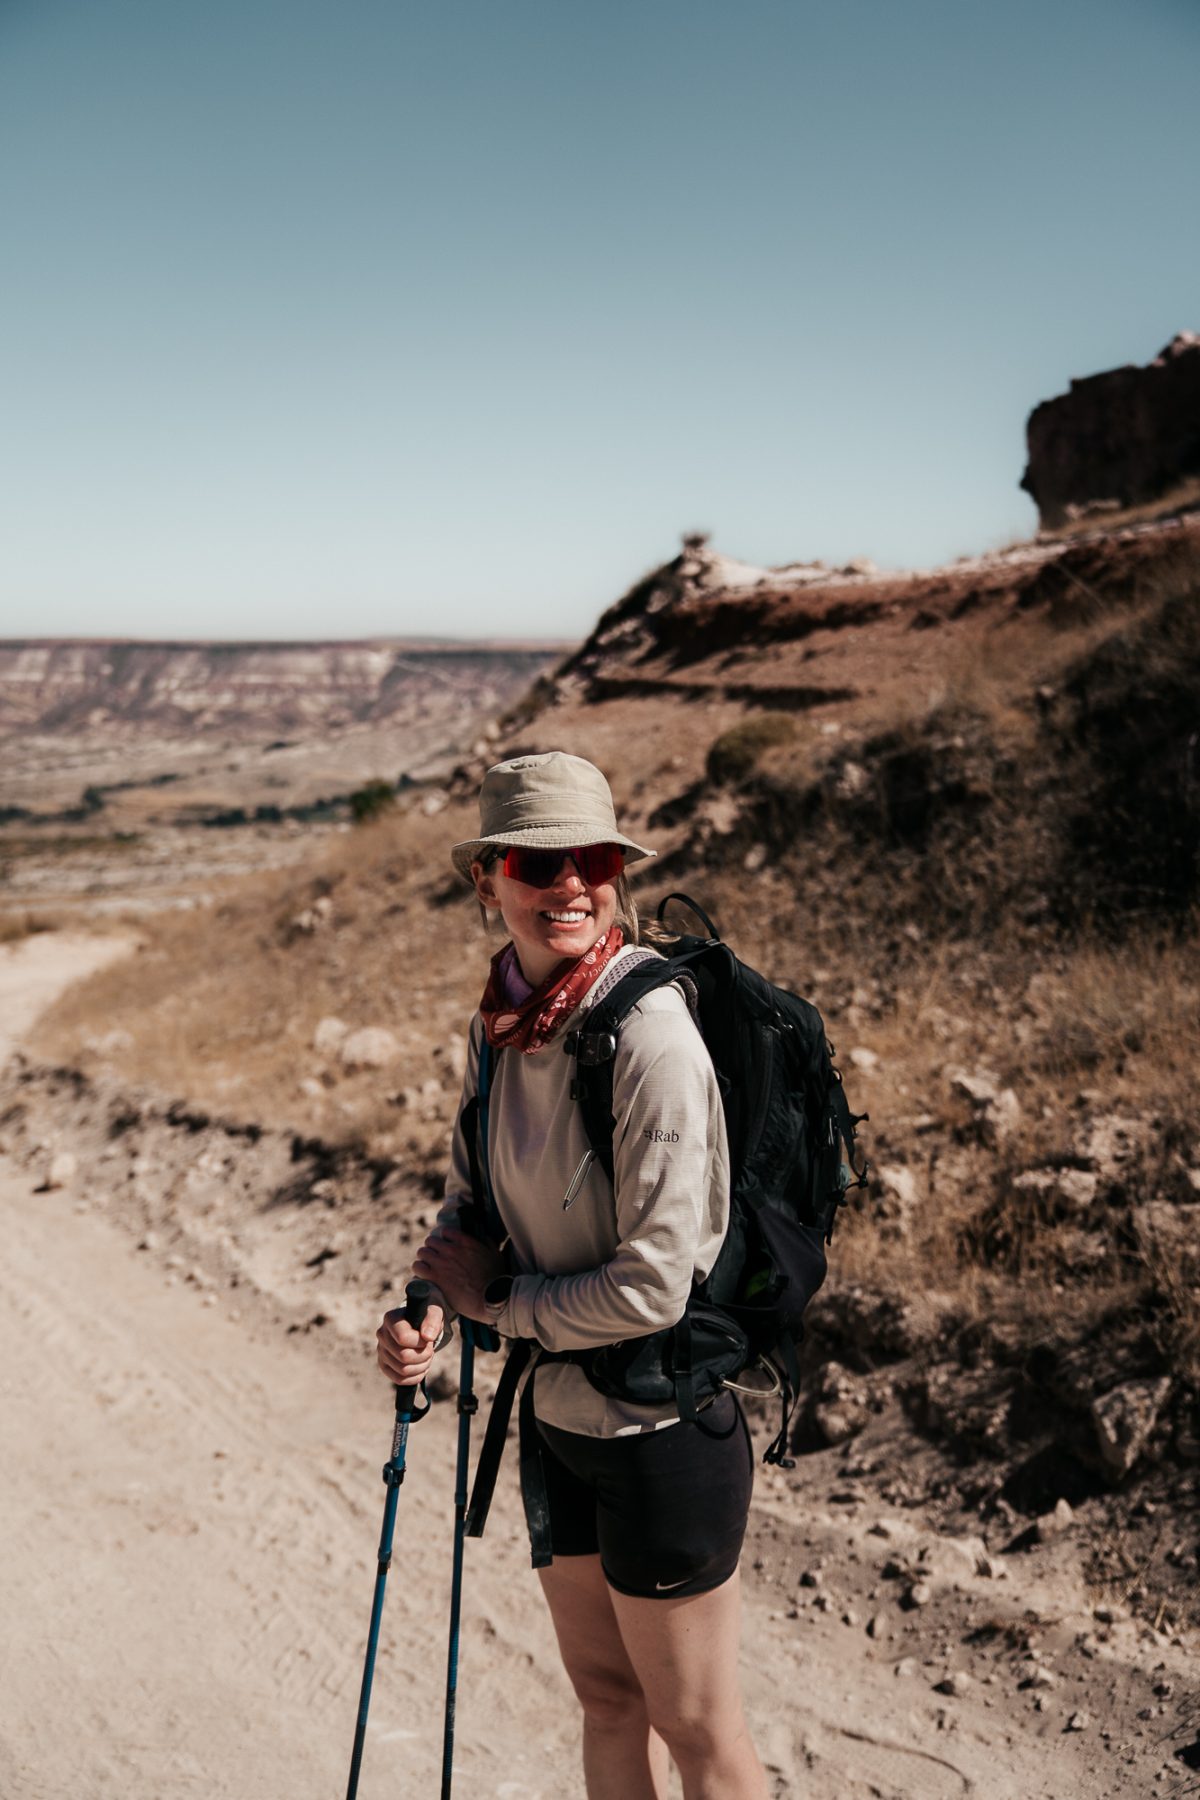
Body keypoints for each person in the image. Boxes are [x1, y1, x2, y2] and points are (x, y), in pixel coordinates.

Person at [376, 751, 768, 1800]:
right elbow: (471, 1208)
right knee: (607, 1701)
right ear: (487, 878)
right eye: (538, 859)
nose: (570, 883)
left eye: (591, 858)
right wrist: (425, 1306)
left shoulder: (650, 1036)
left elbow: (654, 1287)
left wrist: (495, 1307)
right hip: (556, 1418)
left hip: (661, 1427)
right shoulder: (497, 1025)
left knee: (695, 1727)